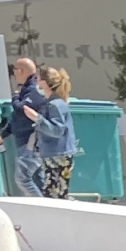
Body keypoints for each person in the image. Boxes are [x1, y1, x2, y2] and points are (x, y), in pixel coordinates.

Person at [0, 56, 46, 197]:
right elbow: (15, 118)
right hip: (24, 143)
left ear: (21, 71)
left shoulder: (33, 91)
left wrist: (14, 97)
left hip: (31, 143)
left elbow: (21, 108)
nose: (13, 74)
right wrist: (2, 135)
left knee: (24, 179)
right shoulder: (25, 91)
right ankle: (44, 207)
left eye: (14, 70)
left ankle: (43, 206)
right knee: (37, 180)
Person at [30, 66, 78, 198]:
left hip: (57, 154)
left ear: (44, 83)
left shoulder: (54, 105)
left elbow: (57, 130)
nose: (36, 82)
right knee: (55, 191)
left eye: (37, 78)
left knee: (55, 193)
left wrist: (37, 118)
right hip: (55, 153)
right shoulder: (53, 102)